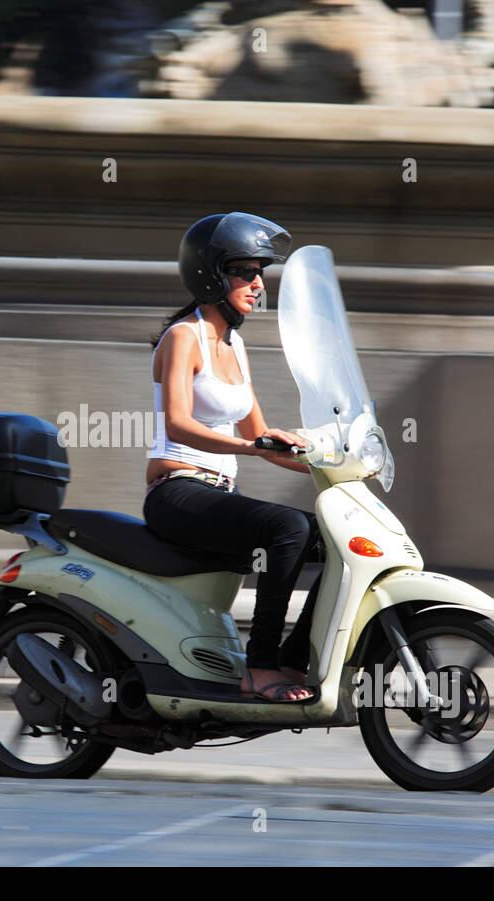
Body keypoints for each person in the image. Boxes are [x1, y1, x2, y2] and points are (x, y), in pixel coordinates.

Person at [143, 212, 324, 703]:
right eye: (245, 270)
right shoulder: (185, 336)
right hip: (177, 490)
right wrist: (251, 446)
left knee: (332, 540)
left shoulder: (235, 343)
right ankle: (260, 667)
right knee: (288, 527)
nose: (257, 283)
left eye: (261, 272)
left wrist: (324, 461)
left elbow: (259, 433)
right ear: (210, 273)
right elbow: (180, 422)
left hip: (221, 491)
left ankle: (292, 659)